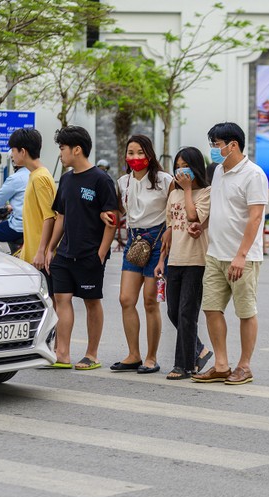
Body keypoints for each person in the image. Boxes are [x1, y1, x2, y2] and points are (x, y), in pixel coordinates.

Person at [191, 122, 268, 386]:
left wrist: (241, 255)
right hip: (215, 253)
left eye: (216, 144)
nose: (213, 149)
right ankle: (221, 365)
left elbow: (255, 218)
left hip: (242, 258)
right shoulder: (218, 172)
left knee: (245, 312)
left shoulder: (254, 174)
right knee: (211, 309)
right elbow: (219, 207)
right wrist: (201, 225)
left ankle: (244, 366)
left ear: (232, 145)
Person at [45, 125, 117, 370]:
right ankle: (62, 353)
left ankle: (92, 354)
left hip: (90, 254)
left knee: (91, 301)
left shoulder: (101, 179)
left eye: (62, 148)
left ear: (77, 149)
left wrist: (101, 254)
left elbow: (112, 219)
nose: (60, 154)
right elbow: (61, 217)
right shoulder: (65, 179)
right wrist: (50, 248)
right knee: (61, 298)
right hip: (64, 254)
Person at [105, 135, 172, 374]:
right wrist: (107, 214)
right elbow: (118, 210)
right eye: (130, 153)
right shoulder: (123, 181)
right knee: (126, 299)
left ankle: (151, 357)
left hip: (158, 240)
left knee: (150, 301)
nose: (135, 158)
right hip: (134, 240)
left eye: (140, 153)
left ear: (150, 155)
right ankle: (133, 354)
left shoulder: (165, 180)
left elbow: (174, 209)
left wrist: (170, 232)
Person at [153, 146, 213, 380]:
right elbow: (169, 229)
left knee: (187, 313)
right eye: (177, 167)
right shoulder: (174, 194)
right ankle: (200, 351)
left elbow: (193, 216)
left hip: (197, 261)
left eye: (184, 166)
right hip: (174, 260)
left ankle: (184, 365)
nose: (180, 171)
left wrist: (188, 189)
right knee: (173, 311)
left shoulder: (206, 192)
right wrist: (161, 260)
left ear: (195, 167)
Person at [8, 127, 57, 298]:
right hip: (34, 253)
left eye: (13, 150)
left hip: (40, 258)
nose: (11, 155)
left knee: (48, 303)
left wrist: (41, 251)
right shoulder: (35, 175)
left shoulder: (39, 178)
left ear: (23, 151)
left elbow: (49, 217)